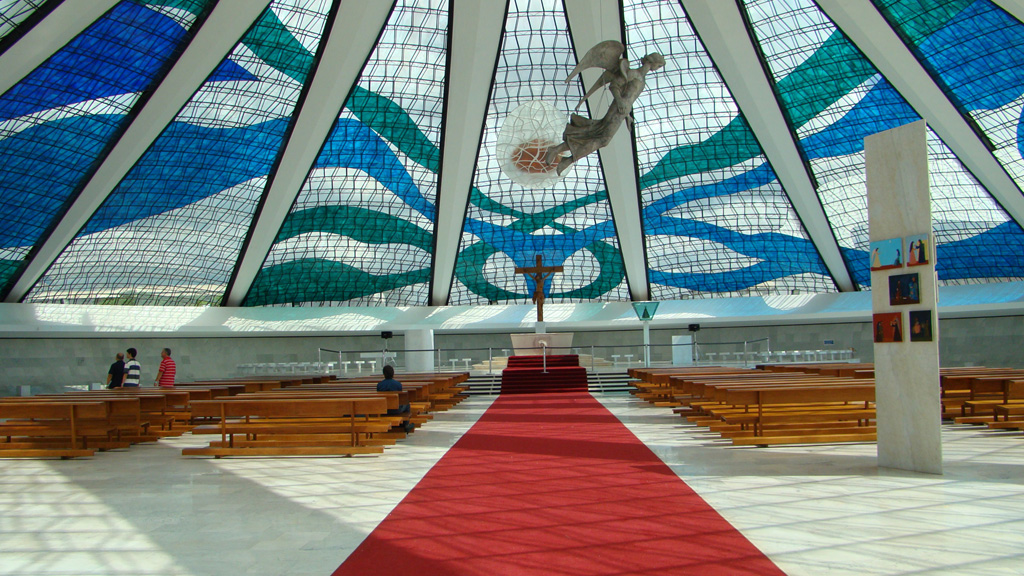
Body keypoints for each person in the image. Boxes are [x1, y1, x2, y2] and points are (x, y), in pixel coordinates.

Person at [377, 365, 415, 433]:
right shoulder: (398, 384)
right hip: (396, 410)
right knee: (406, 403)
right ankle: (406, 424)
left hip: (384, 410)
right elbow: (400, 399)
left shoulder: (379, 385)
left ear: (384, 374)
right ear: (393, 373)